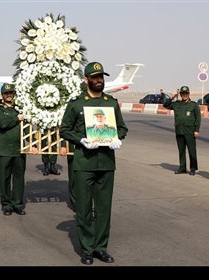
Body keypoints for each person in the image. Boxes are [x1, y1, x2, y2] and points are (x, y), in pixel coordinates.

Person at [60, 62, 128, 265]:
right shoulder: (76, 104)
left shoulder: (111, 103)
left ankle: (101, 248)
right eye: (95, 77)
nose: (99, 80)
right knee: (83, 208)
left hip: (106, 163)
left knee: (104, 208)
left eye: (101, 77)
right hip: (83, 163)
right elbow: (65, 129)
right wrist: (80, 140)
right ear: (86, 80)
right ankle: (87, 249)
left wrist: (118, 138)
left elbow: (122, 128)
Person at [0, 83, 38, 216]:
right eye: (6, 93)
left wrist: (34, 143)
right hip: (3, 150)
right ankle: (6, 205)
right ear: (2, 95)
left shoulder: (19, 109)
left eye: (11, 93)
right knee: (4, 178)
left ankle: (17, 204)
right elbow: (2, 123)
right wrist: (16, 118)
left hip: (19, 149)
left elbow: (27, 128)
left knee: (18, 178)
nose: (9, 95)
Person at [163, 86, 201, 175]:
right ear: (180, 95)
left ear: (188, 94)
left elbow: (198, 118)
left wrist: (196, 130)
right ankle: (182, 167)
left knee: (192, 150)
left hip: (190, 131)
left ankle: (193, 168)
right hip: (179, 130)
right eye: (182, 93)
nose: (184, 95)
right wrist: (172, 97)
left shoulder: (193, 105)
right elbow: (165, 105)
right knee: (181, 150)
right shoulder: (176, 104)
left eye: (186, 93)